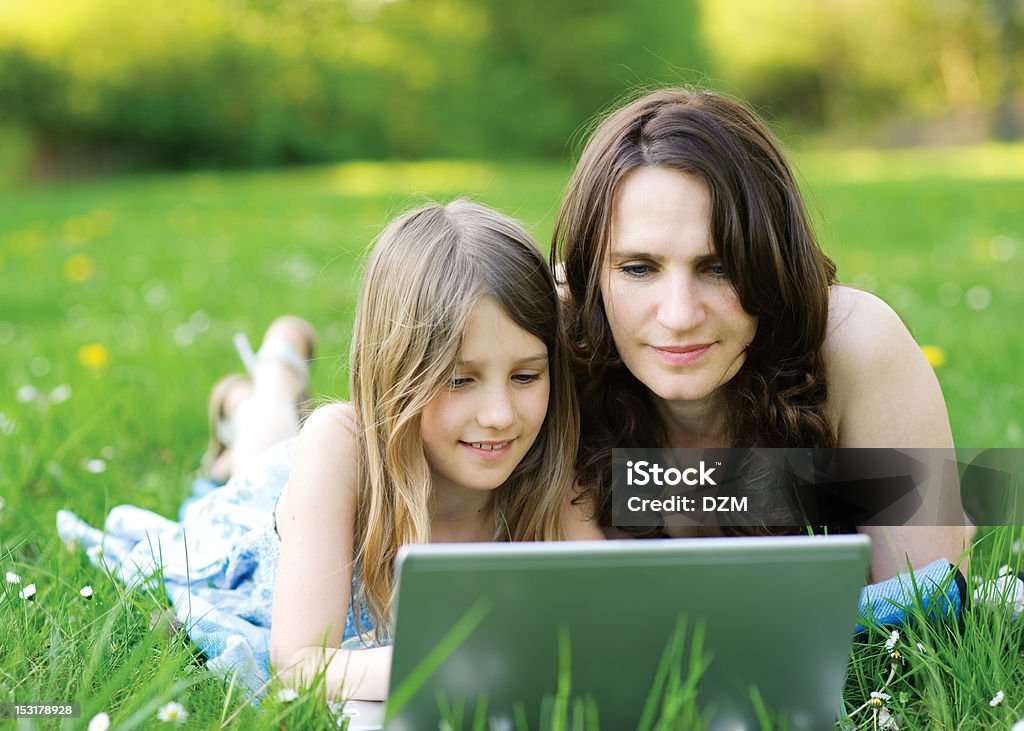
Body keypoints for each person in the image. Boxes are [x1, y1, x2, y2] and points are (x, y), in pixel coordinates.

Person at [57, 199, 600, 701]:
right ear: (395, 371)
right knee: (258, 458)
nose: (501, 414)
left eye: (526, 375)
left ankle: (253, 400)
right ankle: (269, 379)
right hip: (273, 512)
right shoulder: (341, 448)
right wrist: (448, 662)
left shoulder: (554, 466)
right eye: (459, 381)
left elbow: (611, 612)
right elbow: (298, 663)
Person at [550, 87, 972, 584]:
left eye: (720, 268)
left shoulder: (854, 342)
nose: (680, 315)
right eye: (639, 268)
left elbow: (932, 605)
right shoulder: (545, 339)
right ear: (591, 275)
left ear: (773, 263)